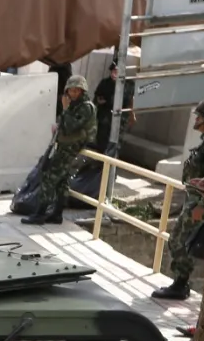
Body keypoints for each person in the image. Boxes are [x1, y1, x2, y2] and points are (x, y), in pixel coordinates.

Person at [154, 97, 204, 300]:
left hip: (201, 204)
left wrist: (202, 207)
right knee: (179, 240)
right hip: (194, 200)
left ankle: (180, 284)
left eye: (200, 117)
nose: (196, 121)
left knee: (179, 240)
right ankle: (180, 283)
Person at [21, 76, 97, 226]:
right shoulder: (76, 105)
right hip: (66, 147)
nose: (73, 93)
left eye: (76, 91)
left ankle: (39, 214)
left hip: (71, 150)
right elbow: (63, 123)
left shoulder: (85, 107)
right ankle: (57, 214)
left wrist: (65, 108)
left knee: (49, 178)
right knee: (62, 183)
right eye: (71, 90)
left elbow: (70, 126)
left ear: (82, 91)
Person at [93, 61, 136, 153]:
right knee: (102, 140)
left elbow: (131, 100)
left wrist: (132, 114)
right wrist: (99, 101)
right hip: (105, 116)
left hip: (120, 118)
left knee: (116, 142)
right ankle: (100, 159)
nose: (114, 73)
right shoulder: (105, 83)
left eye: (117, 71)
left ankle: (111, 159)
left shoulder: (129, 85)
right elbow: (97, 97)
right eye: (113, 71)